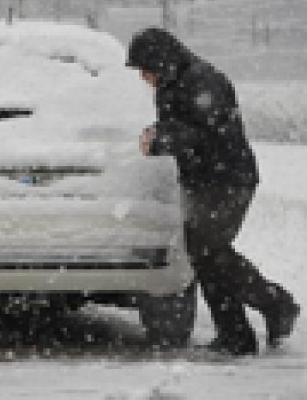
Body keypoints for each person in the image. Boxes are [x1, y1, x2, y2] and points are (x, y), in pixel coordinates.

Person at [128, 27, 299, 356]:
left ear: (161, 61)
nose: (143, 77)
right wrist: (158, 132)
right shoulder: (173, 82)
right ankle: (237, 334)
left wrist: (162, 139)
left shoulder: (205, 81)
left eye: (145, 69)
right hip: (203, 181)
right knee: (208, 255)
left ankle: (275, 305)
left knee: (208, 252)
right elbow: (182, 126)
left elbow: (208, 134)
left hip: (229, 180)